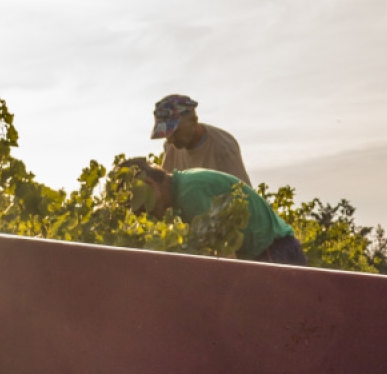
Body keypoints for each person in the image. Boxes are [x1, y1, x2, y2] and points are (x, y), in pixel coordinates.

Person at [120, 158, 307, 265]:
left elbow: (227, 259)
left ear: (149, 185)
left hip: (275, 254)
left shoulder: (190, 195)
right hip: (275, 250)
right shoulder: (184, 186)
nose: (147, 215)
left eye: (142, 207)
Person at [151, 94, 251, 185]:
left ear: (194, 121)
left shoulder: (222, 147)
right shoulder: (170, 147)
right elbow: (165, 188)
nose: (170, 140)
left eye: (175, 132)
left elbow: (243, 196)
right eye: (166, 134)